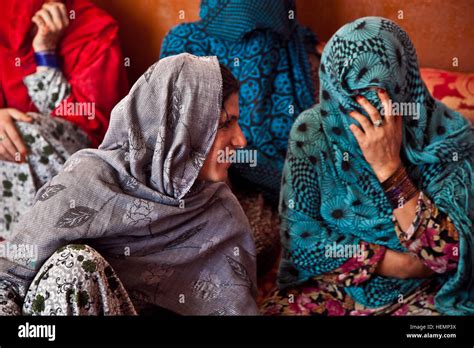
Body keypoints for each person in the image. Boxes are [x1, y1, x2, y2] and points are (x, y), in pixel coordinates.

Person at [0, 53, 258, 316]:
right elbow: (6, 281)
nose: (241, 141)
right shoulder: (87, 184)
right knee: (74, 265)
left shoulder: (220, 211)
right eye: (225, 124)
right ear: (178, 128)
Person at [261, 17, 473, 315]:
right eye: (352, 95)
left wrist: (389, 168)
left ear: (404, 82)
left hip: (426, 294)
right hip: (334, 286)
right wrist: (398, 265)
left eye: (382, 92)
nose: (369, 110)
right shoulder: (312, 132)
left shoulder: (446, 138)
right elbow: (300, 238)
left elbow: (447, 257)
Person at [160, 0, 321, 201]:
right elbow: (176, 141)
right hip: (208, 184)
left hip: (294, 191)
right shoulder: (186, 43)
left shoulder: (299, 48)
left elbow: (320, 156)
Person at [0, 0, 128, 238]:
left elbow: (95, 126)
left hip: (84, 162)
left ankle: (25, 255)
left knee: (21, 135)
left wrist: (45, 54)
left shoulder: (94, 29)